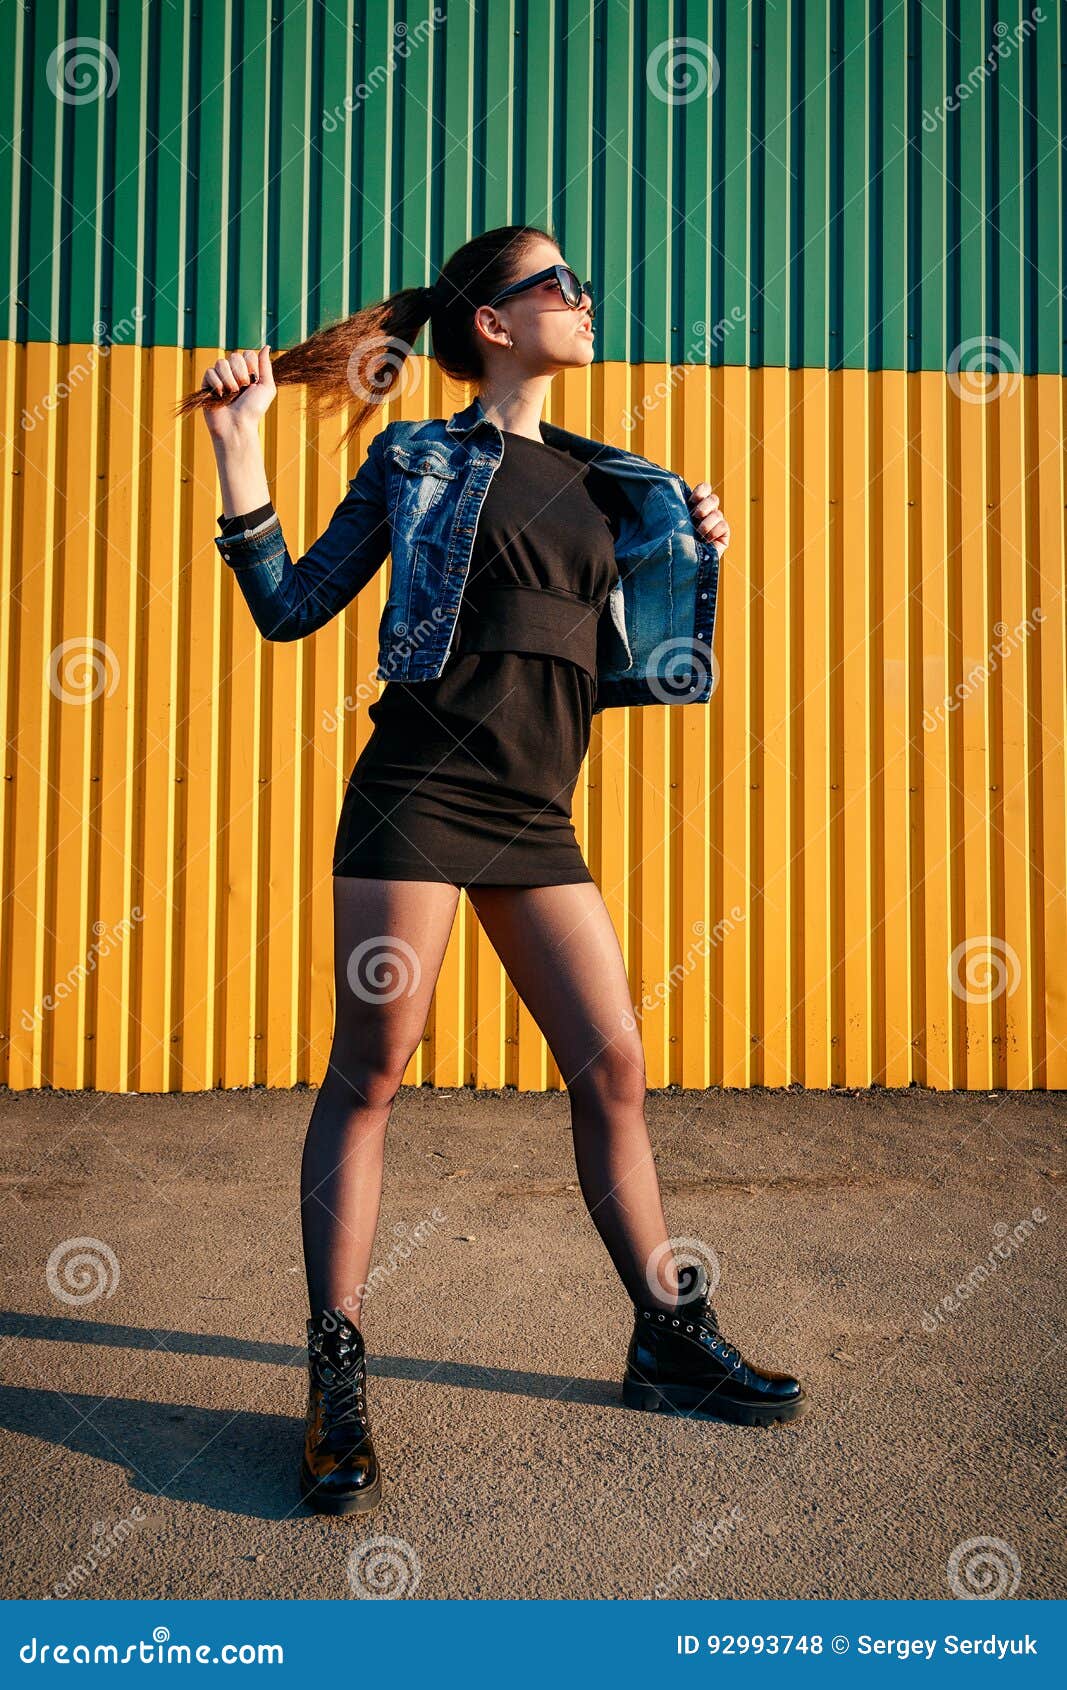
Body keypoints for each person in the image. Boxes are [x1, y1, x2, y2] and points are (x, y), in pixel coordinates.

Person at [186, 223, 804, 1517]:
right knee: (376, 1067)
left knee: (613, 1063)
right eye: (559, 285)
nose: (585, 299)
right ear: (493, 323)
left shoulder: (615, 478)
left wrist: (701, 555)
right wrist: (237, 451)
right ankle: (335, 1369)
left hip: (536, 808)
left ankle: (666, 1334)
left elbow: (644, 669)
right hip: (417, 789)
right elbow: (292, 605)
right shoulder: (415, 454)